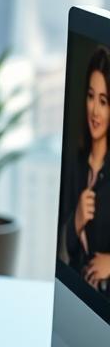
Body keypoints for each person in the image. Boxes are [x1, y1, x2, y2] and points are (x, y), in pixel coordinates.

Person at [63, 45, 110, 290]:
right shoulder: (77, 165)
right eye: (91, 96)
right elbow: (65, 247)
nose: (94, 110)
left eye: (103, 101)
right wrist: (75, 222)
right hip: (74, 294)